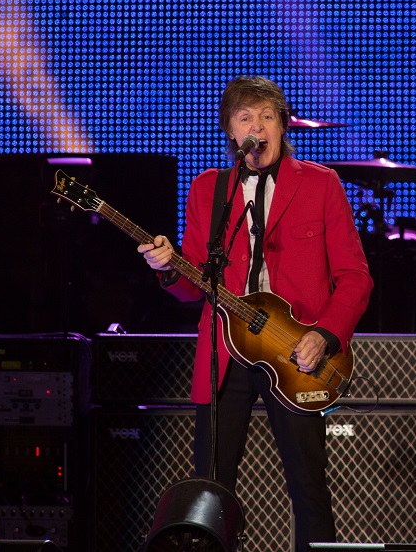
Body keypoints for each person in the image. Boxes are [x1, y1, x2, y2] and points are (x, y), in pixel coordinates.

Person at [137, 75, 373, 551]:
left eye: (268, 116)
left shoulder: (321, 184)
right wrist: (167, 268)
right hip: (224, 353)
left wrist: (324, 335)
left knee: (308, 486)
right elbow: (194, 286)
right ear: (230, 130)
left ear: (283, 126)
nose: (258, 126)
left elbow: (355, 276)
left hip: (295, 353)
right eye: (246, 117)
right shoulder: (209, 190)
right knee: (210, 489)